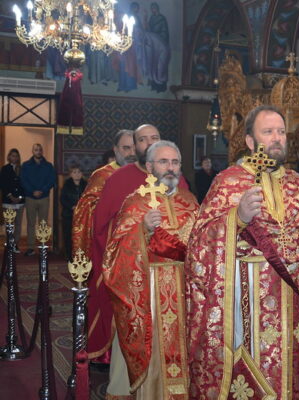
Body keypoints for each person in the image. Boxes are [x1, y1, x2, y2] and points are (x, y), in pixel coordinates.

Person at [185, 105, 299, 399]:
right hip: (246, 297)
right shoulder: (228, 181)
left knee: (294, 373)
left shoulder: (298, 184)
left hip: (295, 297)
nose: (277, 138)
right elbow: (198, 244)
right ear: (250, 141)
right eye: (268, 132)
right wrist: (236, 218)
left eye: (281, 132)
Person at [103, 141, 199, 399]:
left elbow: (203, 246)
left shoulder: (190, 201)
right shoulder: (135, 202)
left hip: (184, 291)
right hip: (149, 291)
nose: (170, 168)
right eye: (163, 162)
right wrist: (142, 229)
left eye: (175, 162)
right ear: (149, 167)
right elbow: (114, 253)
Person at [87, 125, 188, 364]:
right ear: (135, 145)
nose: (149, 143)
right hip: (132, 270)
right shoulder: (119, 179)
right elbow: (102, 227)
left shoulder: (177, 180)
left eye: (155, 138)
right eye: (143, 140)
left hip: (171, 275)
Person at [72, 129, 136, 261]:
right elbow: (84, 209)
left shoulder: (146, 173)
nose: (132, 153)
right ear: (115, 149)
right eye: (126, 148)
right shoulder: (102, 175)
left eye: (135, 148)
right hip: (111, 239)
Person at [21, 143, 56, 256]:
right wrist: (32, 191)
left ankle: (43, 246)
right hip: (30, 197)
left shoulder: (49, 166)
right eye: (36, 150)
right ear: (32, 151)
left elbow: (52, 180)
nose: (38, 151)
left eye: (40, 150)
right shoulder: (26, 165)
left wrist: (42, 190)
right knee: (31, 223)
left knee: (43, 223)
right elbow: (23, 180)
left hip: (44, 197)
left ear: (42, 151)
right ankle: (30, 248)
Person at [60, 164, 87, 260]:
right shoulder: (66, 185)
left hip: (82, 215)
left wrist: (81, 207)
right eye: (74, 172)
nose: (77, 174)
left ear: (82, 174)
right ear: (70, 174)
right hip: (69, 215)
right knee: (68, 236)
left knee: (82, 236)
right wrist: (72, 207)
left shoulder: (86, 184)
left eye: (79, 172)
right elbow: (63, 199)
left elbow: (88, 198)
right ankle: (69, 256)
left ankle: (81, 256)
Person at [1, 149, 26, 251]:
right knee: (9, 224)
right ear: (9, 157)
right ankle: (9, 243)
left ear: (18, 157)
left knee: (18, 224)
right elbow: (3, 184)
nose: (14, 158)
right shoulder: (5, 168)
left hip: (20, 201)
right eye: (12, 156)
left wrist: (19, 197)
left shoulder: (22, 169)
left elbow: (24, 184)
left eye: (16, 156)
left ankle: (15, 244)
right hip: (8, 201)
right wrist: (11, 196)